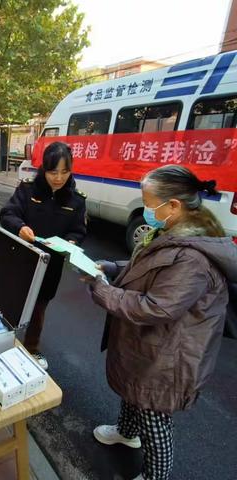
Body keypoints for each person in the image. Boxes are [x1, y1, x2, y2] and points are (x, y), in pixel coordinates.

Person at [86, 165, 237, 480]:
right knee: (133, 390)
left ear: (174, 206)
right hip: (152, 343)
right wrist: (114, 267)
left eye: (149, 202)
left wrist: (104, 292)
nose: (146, 209)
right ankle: (127, 432)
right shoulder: (170, 232)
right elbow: (150, 266)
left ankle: (156, 474)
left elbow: (157, 307)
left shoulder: (193, 257)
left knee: (153, 415)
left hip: (170, 353)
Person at [0, 141, 87, 369]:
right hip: (21, 260)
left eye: (64, 172)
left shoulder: (76, 200)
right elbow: (7, 213)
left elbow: (78, 230)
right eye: (53, 172)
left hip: (50, 266)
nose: (59, 178)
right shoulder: (27, 190)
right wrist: (19, 227)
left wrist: (71, 242)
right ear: (43, 169)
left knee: (38, 310)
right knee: (10, 305)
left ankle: (31, 350)